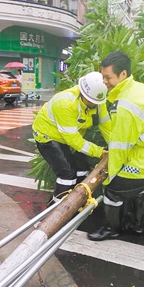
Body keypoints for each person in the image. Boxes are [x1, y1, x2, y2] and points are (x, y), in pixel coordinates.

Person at [88, 51, 144, 241]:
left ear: (122, 75)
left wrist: (108, 177)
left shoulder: (126, 106)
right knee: (133, 185)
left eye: (108, 77)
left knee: (115, 185)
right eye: (102, 76)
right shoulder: (141, 88)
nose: (104, 81)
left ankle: (111, 228)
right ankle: (135, 224)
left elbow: (120, 148)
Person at [32, 72, 112, 203]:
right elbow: (73, 140)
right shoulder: (66, 104)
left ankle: (78, 202)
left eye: (95, 102)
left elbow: (106, 125)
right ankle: (55, 212)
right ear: (82, 92)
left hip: (71, 136)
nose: (93, 104)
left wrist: (116, 146)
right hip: (48, 136)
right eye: (90, 101)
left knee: (82, 169)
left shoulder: (97, 100)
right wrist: (99, 152)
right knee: (67, 176)